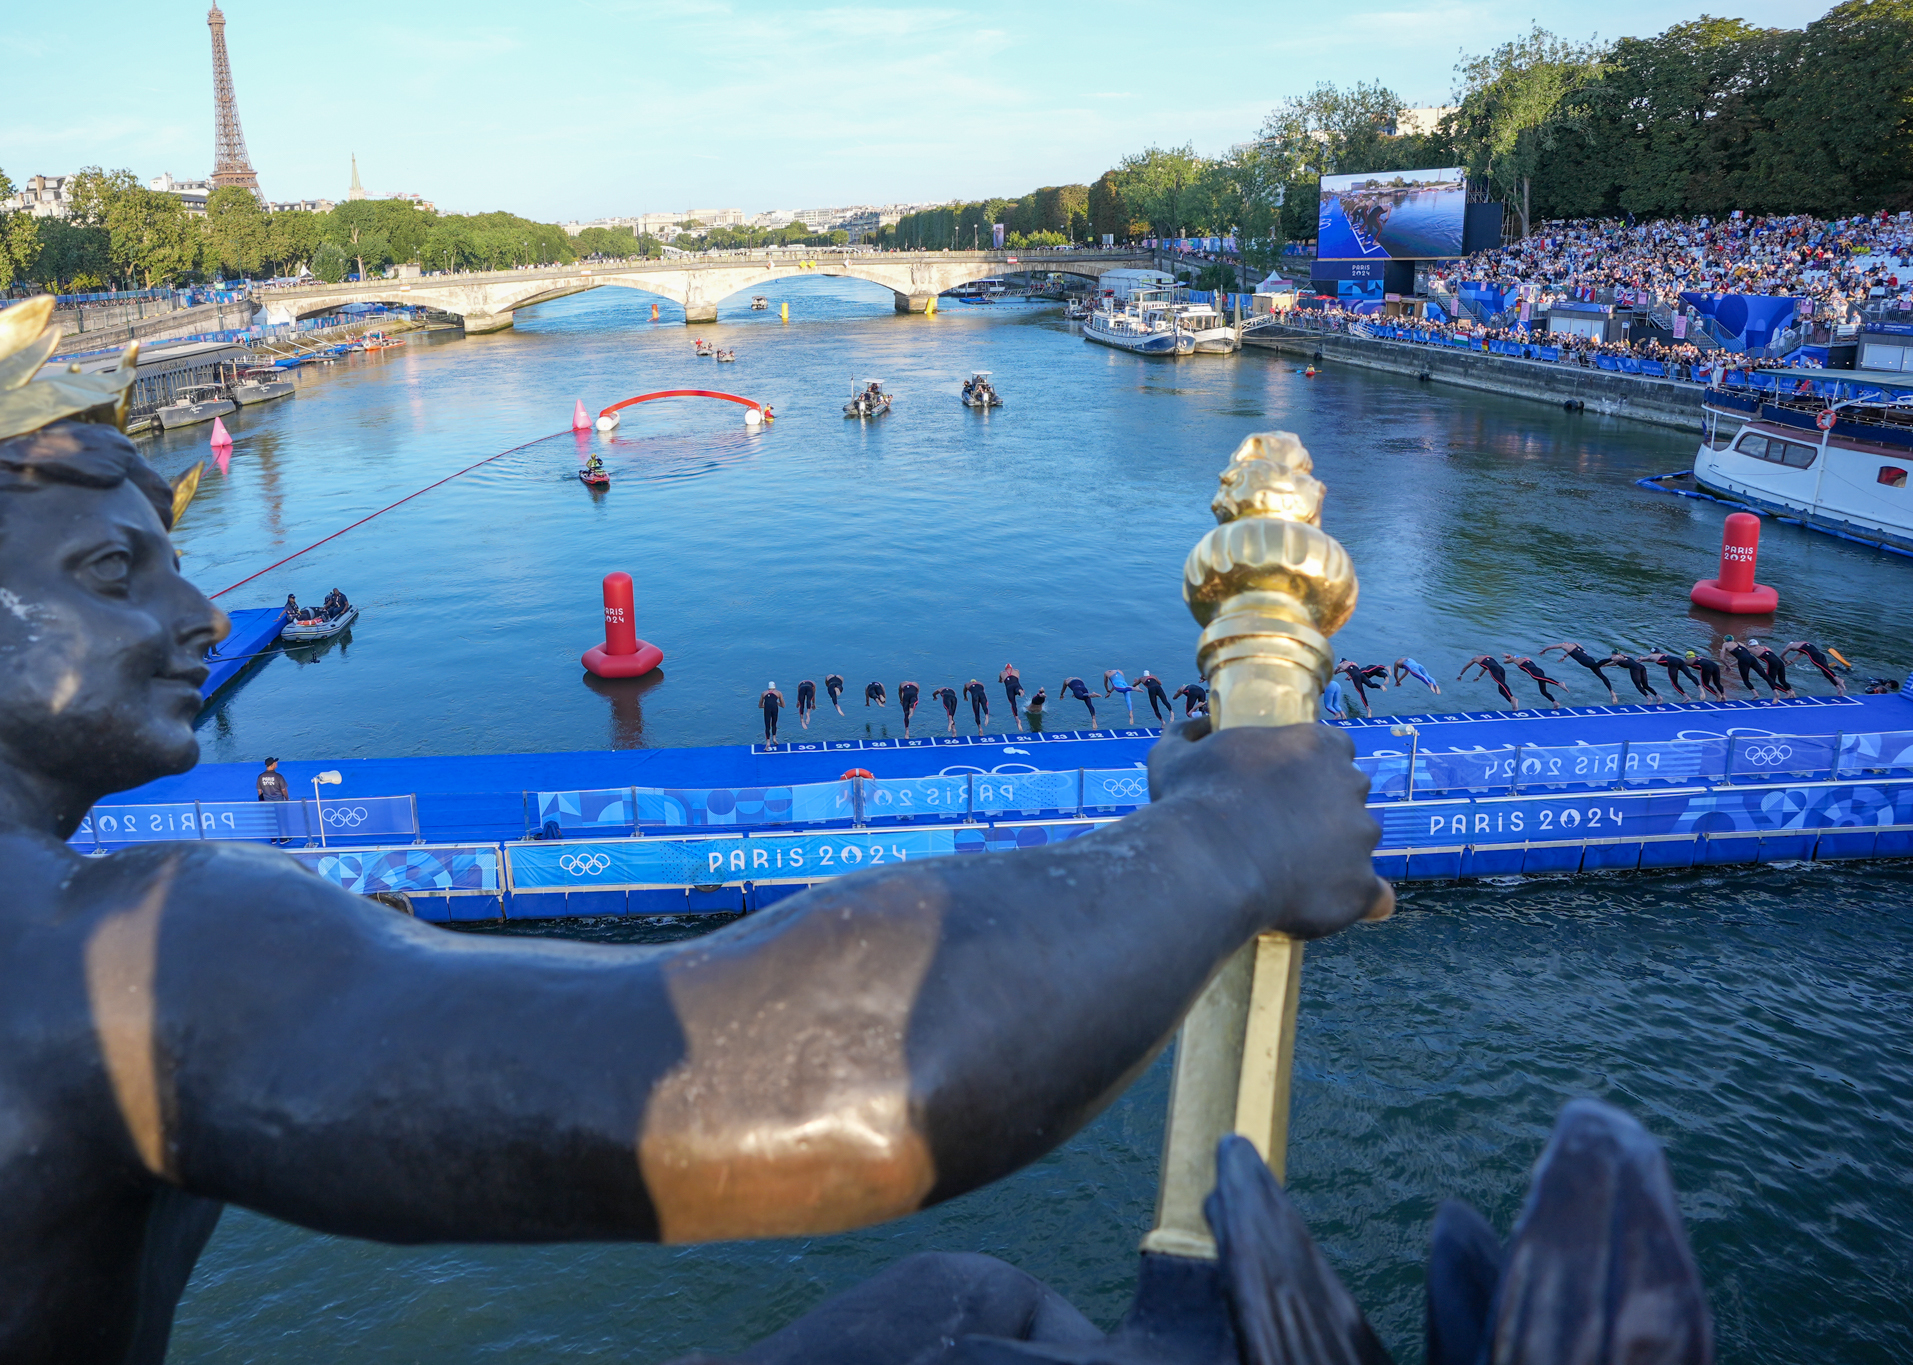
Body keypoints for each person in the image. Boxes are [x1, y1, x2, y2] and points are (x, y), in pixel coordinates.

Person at [0, 412, 1403, 1365]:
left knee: (953, 1306)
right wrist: (1227, 837)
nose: (203, 618)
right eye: (115, 572)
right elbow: (782, 1079)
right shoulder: (111, 949)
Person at [1540, 642, 1619, 704]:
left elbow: (1550, 647)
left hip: (1584, 661)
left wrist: (1543, 650)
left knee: (1596, 666)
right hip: (1590, 659)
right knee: (1601, 675)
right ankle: (1612, 692)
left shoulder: (1564, 646)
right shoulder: (1577, 644)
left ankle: (1611, 659)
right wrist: (1564, 656)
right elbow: (1574, 652)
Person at [257, 756, 290, 845]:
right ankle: (283, 839)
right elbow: (283, 790)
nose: (276, 763)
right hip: (279, 802)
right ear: (272, 765)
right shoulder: (278, 777)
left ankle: (273, 839)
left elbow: (259, 791)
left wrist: (261, 802)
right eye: (275, 762)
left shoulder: (261, 777)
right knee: (281, 820)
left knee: (270, 820)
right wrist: (287, 798)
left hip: (268, 803)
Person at [760, 682, 785, 746]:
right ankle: (774, 739)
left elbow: (760, 705)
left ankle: (768, 742)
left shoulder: (763, 693)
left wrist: (766, 705)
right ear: (775, 687)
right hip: (774, 708)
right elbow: (783, 705)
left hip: (767, 708)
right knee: (774, 724)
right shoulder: (778, 693)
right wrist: (776, 703)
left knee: (767, 725)